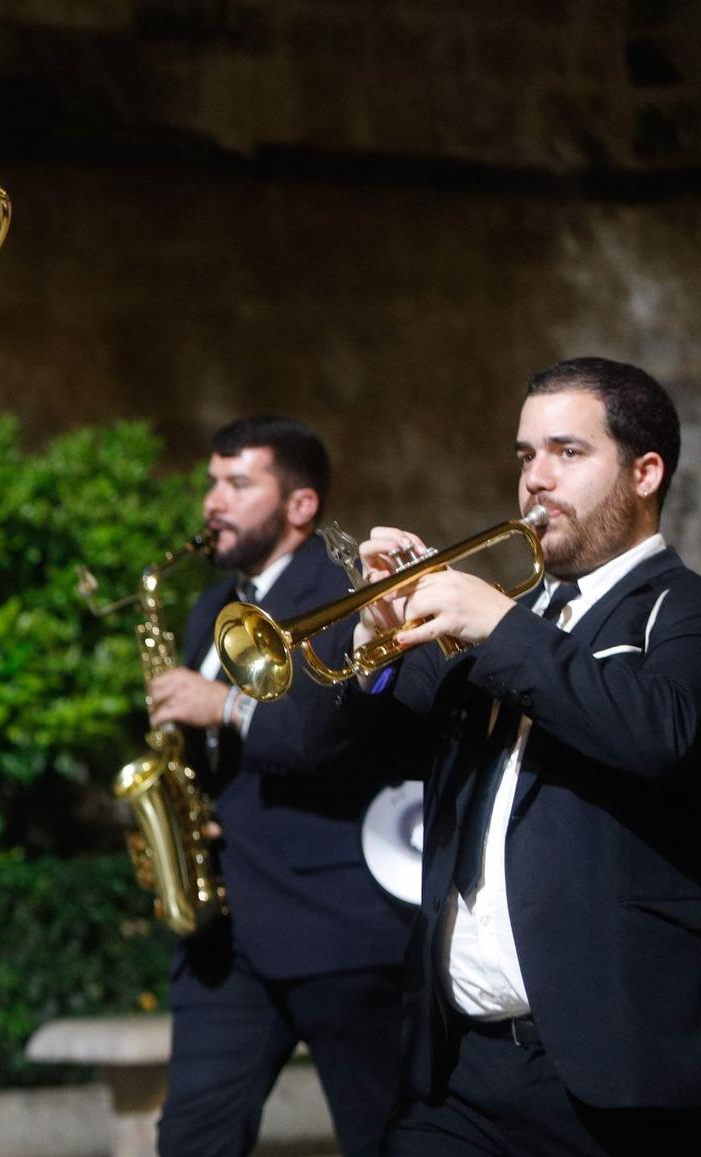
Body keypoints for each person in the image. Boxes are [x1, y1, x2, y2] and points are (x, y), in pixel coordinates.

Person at [318, 357, 700, 1154]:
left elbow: (663, 735)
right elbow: (362, 747)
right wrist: (375, 637)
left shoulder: (680, 608)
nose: (535, 479)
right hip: (460, 1071)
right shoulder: (514, 623)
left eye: (568, 451)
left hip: (612, 1076)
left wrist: (501, 625)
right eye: (525, 455)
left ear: (645, 472)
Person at [144, 417, 410, 1156]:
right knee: (192, 1139)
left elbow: (341, 735)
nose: (212, 502)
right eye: (210, 482)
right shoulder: (210, 607)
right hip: (227, 935)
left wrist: (224, 706)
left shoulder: (345, 591)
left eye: (238, 483)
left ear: (300, 505)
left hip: (336, 922)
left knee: (382, 1134)